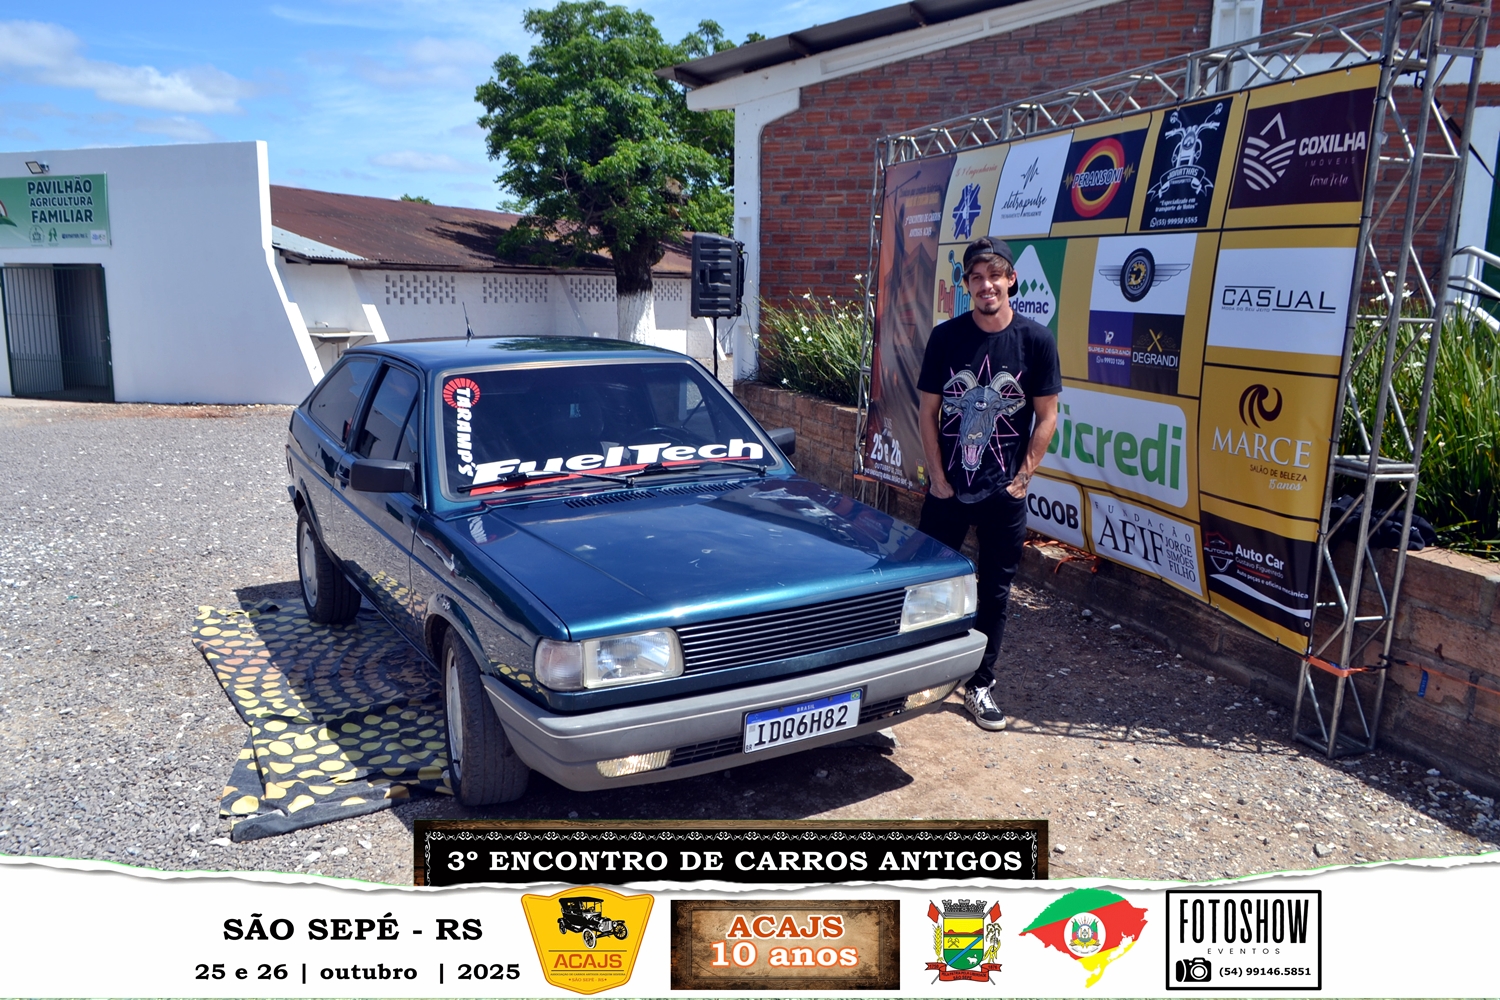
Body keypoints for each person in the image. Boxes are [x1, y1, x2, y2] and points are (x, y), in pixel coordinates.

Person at [917, 236, 1061, 730]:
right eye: (977, 278)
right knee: (928, 583)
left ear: (1011, 280)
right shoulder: (946, 337)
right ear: (967, 285)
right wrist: (938, 478)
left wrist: (1023, 478)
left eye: (995, 276)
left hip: (1004, 493)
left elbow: (1047, 416)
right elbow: (929, 411)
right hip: (948, 491)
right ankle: (919, 678)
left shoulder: (1036, 341)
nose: (987, 286)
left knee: (996, 591)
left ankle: (979, 684)